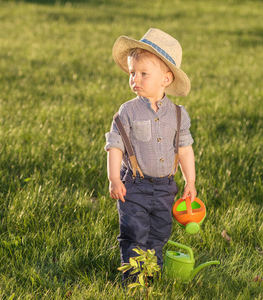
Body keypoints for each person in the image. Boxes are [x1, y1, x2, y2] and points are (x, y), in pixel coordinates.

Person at [104, 28, 197, 282]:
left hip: (166, 188)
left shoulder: (178, 115)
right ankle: (133, 280)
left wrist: (190, 181)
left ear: (166, 79)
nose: (135, 78)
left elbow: (185, 148)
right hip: (133, 185)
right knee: (134, 233)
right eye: (133, 73)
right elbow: (115, 146)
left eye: (144, 73)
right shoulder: (128, 112)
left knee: (159, 233)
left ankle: (151, 276)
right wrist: (115, 178)